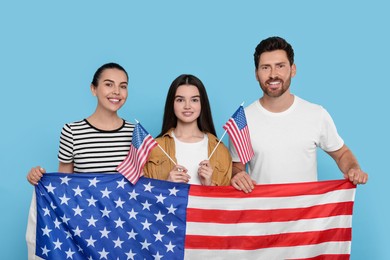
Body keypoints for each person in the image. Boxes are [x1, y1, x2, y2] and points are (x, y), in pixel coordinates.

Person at [229, 36, 368, 193]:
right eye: (265, 67)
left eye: (280, 66)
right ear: (256, 74)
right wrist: (238, 175)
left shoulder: (316, 114)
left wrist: (353, 168)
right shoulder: (242, 120)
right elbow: (236, 166)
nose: (273, 74)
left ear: (293, 69)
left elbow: (342, 154)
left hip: (306, 214)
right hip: (264, 213)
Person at [26, 62, 134, 185]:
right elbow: (64, 185)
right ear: (94, 89)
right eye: (109, 84)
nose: (117, 91)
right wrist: (36, 177)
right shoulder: (72, 132)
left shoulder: (136, 133)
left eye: (123, 86)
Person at [143, 74, 232, 186]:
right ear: (172, 104)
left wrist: (210, 186)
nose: (187, 106)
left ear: (202, 104)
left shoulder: (220, 150)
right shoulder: (155, 148)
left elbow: (228, 200)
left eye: (194, 100)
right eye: (180, 100)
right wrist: (167, 185)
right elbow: (142, 196)